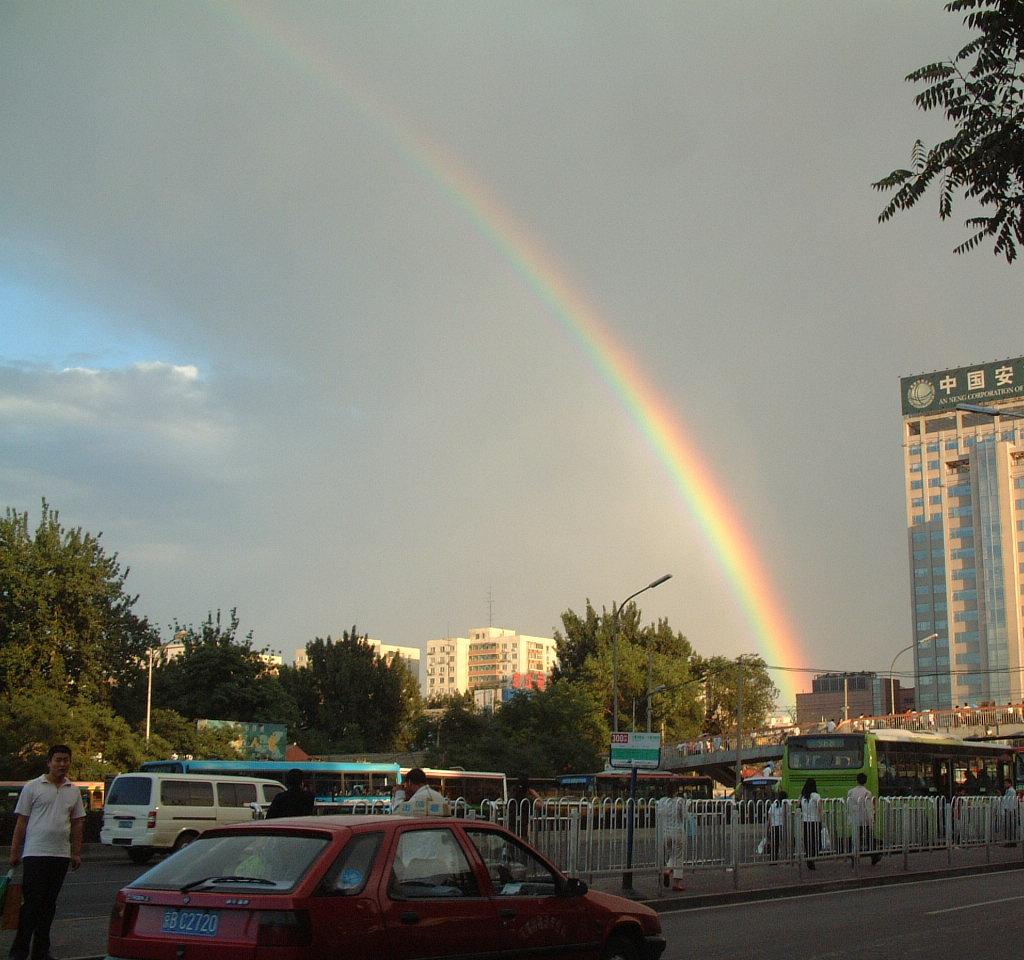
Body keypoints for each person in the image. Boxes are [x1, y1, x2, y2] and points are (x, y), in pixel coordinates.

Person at [8, 744, 85, 960]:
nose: (62, 764)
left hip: (60, 855)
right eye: (58, 760)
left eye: (66, 760)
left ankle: (41, 951)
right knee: (32, 904)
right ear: (49, 762)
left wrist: (76, 852)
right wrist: (15, 852)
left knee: (49, 905)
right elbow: (22, 822)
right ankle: (19, 950)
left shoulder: (73, 790)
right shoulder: (33, 787)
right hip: (35, 853)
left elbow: (78, 823)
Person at [847, 772, 881, 865]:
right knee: (869, 838)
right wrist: (872, 819)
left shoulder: (850, 792)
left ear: (857, 780)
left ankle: (854, 856)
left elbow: (849, 806)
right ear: (865, 781)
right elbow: (869, 807)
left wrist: (850, 818)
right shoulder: (867, 793)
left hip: (855, 818)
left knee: (855, 838)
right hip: (865, 819)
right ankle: (874, 856)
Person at [800, 778, 822, 870]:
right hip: (815, 821)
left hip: (805, 821)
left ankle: (809, 857)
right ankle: (812, 857)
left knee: (807, 840)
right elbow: (820, 809)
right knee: (815, 841)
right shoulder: (816, 796)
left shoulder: (803, 796)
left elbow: (798, 806)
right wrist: (822, 820)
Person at [767, 790, 788, 861]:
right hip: (781, 826)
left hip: (774, 826)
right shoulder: (785, 805)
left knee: (774, 844)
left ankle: (773, 858)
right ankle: (786, 857)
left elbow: (769, 816)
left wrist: (769, 827)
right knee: (785, 842)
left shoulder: (773, 805)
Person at [1001, 779, 1018, 846]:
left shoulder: (1011, 791)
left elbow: (1010, 801)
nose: (1005, 785)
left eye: (1006, 783)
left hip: (1010, 810)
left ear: (1010, 784)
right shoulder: (1008, 791)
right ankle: (1010, 841)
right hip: (1008, 810)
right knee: (1008, 826)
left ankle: (1011, 841)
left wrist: (1009, 809)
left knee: (1010, 826)